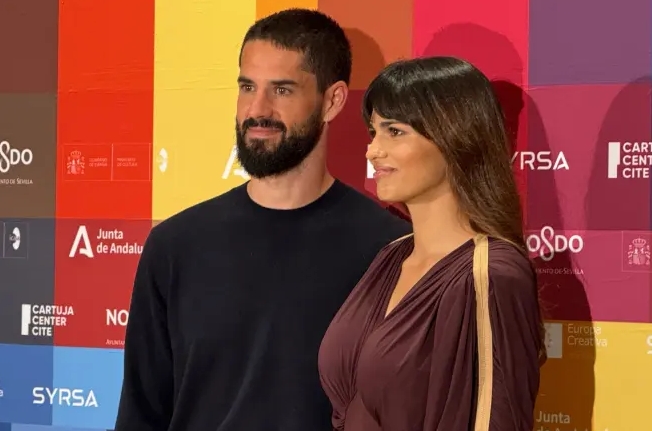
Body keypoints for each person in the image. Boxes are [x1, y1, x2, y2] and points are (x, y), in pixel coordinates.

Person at [114, 9, 411, 431]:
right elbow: (141, 414)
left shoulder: (392, 250)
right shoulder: (175, 245)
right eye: (247, 87)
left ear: (332, 101)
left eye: (282, 90)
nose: (257, 110)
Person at [318, 56, 545, 431]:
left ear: (454, 137)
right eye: (373, 132)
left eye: (394, 131)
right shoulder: (391, 256)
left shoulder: (491, 273)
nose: (372, 150)